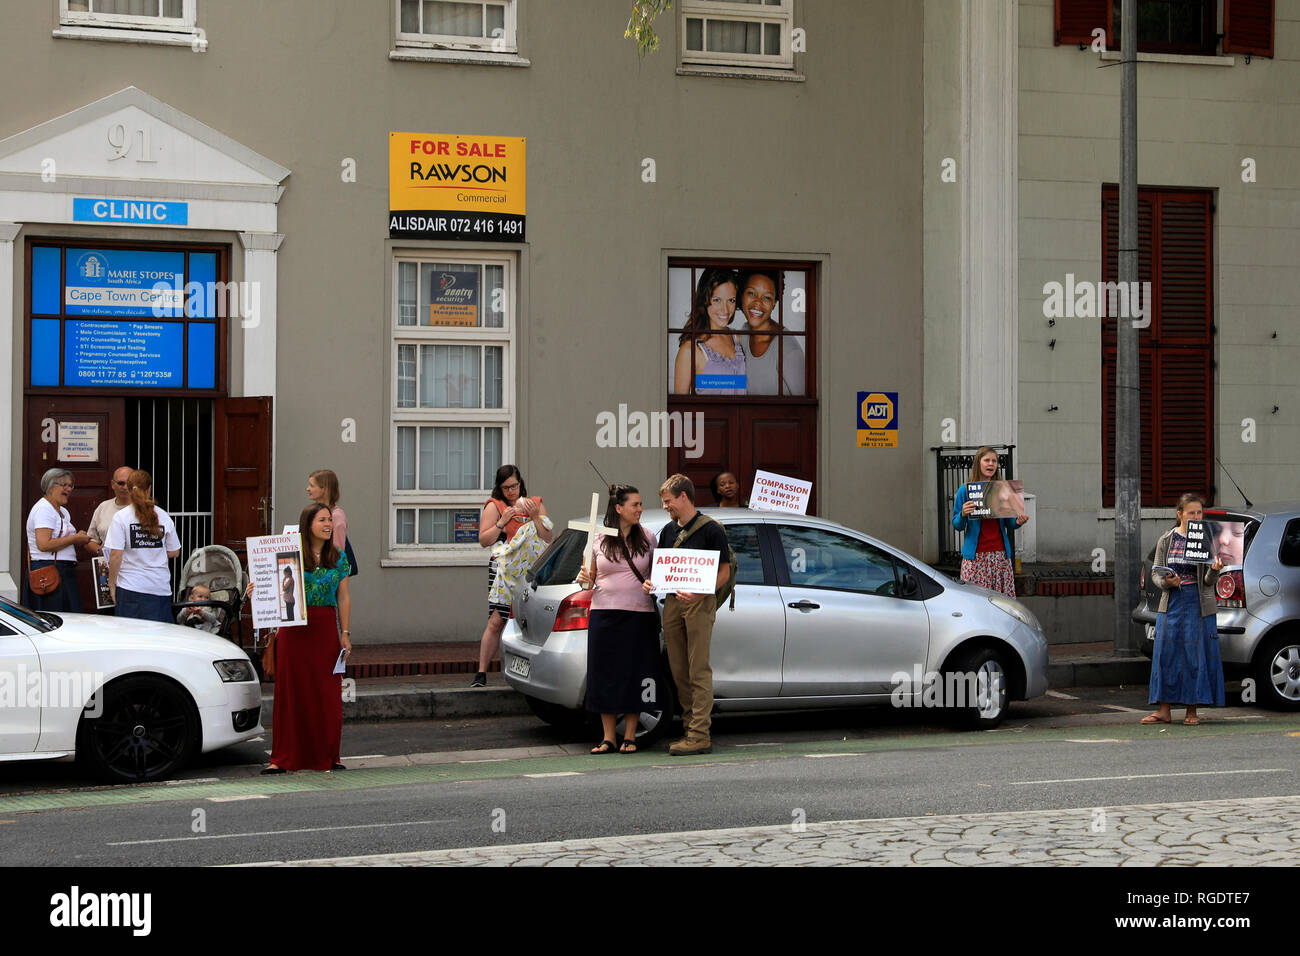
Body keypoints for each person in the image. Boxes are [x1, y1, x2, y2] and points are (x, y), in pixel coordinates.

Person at [263, 503, 352, 774]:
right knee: (291, 693)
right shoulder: (290, 553)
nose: (329, 524)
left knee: (327, 693)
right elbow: (273, 587)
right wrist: (258, 589)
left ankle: (329, 755)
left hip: (325, 627)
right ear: (308, 524)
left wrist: (345, 633)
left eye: (330, 520)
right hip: (293, 629)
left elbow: (344, 596)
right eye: (322, 520)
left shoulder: (338, 557)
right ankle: (281, 758)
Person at [576, 484, 660, 754]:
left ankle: (631, 736)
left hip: (639, 615)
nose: (640, 509)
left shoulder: (648, 537)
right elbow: (586, 579)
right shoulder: (598, 540)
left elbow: (659, 576)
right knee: (605, 674)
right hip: (604, 615)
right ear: (619, 508)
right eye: (635, 504)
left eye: (640, 504)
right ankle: (608, 737)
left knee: (634, 674)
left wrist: (653, 584)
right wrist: (583, 579)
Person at [657, 474, 730, 756]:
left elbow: (724, 571)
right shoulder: (667, 531)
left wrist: (701, 593)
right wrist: (654, 582)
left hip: (699, 602)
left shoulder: (711, 529)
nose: (666, 507)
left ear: (684, 497)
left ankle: (700, 734)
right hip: (673, 601)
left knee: (698, 668)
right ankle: (690, 728)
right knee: (678, 669)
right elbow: (663, 568)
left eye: (668, 501)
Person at [1143, 494, 1226, 726]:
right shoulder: (1166, 539)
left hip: (1197, 602)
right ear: (1179, 514)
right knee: (1165, 654)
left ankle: (1192, 710)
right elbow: (1156, 574)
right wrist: (1167, 582)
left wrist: (1216, 570)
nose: (1196, 517)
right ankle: (1164, 710)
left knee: (1194, 654)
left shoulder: (1206, 538)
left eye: (1199, 513)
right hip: (1171, 602)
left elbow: (1208, 582)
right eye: (1192, 513)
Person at [472, 464, 552, 687]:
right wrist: (502, 522)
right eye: (506, 487)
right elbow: (484, 540)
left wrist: (535, 517)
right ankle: (481, 673)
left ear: (520, 483)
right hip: (504, 571)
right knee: (497, 619)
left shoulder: (533, 504)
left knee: (528, 620)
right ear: (499, 487)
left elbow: (548, 538)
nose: (511, 491)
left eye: (514, 486)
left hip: (529, 570)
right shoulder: (494, 506)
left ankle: (528, 674)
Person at [105, 470, 182, 622]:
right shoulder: (163, 516)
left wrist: (111, 583)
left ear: (128, 488)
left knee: (130, 638)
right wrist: (153, 550)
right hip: (159, 588)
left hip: (130, 587)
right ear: (149, 489)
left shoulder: (121, 517)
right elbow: (175, 552)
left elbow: (116, 555)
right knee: (158, 640)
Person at [951, 446, 1027, 597]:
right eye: (987, 460)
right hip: (975, 559)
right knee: (975, 604)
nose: (991, 464)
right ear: (978, 463)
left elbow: (1010, 523)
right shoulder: (965, 491)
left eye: (994, 461)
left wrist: (1018, 521)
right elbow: (957, 525)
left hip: (1000, 557)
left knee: (1002, 605)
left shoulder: (1003, 490)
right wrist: (963, 514)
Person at [23, 468, 90, 611]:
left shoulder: (62, 511)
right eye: (64, 485)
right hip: (49, 570)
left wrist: (79, 539)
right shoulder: (43, 509)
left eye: (71, 485)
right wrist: (74, 538)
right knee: (54, 619)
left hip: (63, 571)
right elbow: (44, 544)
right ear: (50, 486)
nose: (69, 489)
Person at [673, 267, 746, 395]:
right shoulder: (690, 350)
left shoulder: (738, 339)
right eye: (717, 300)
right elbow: (681, 409)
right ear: (705, 300)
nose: (725, 309)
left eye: (731, 300)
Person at [736, 269, 805, 395]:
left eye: (766, 297)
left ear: (774, 303)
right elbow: (742, 382)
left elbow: (804, 409)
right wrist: (703, 381)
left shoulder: (789, 351)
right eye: (751, 293)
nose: (758, 302)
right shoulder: (745, 333)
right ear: (742, 295)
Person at [307, 469, 356, 577]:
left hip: (327, 577)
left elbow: (337, 554)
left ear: (323, 489)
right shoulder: (312, 511)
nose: (308, 489)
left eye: (312, 486)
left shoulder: (336, 516)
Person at [86, 466, 134, 560]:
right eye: (121, 483)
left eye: (129, 483)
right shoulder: (103, 507)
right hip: (108, 566)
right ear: (113, 484)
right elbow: (89, 539)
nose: (125, 487)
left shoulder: (145, 509)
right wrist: (100, 550)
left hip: (136, 569)